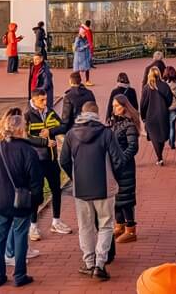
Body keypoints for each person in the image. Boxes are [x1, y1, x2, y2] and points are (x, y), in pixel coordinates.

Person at [59, 101, 127, 281]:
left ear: (82, 113)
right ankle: (100, 264)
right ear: (97, 114)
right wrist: (115, 177)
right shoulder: (106, 133)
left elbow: (64, 160)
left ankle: (89, 262)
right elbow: (118, 160)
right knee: (105, 225)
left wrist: (74, 177)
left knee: (85, 226)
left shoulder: (71, 134)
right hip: (104, 186)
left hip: (81, 188)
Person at [0, 111, 43, 288]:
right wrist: (35, 201)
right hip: (21, 202)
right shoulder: (27, 150)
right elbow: (36, 180)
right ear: (20, 129)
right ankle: (19, 275)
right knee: (20, 237)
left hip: (0, 201)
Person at [24, 89, 73, 241]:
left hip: (51, 159)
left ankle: (56, 221)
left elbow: (64, 126)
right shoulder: (27, 115)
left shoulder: (50, 112)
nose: (45, 103)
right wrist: (45, 142)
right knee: (36, 194)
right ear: (34, 100)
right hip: (36, 161)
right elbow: (26, 137)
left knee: (56, 190)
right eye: (42, 100)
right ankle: (33, 226)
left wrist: (50, 131)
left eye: (46, 100)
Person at [108, 95, 140, 243]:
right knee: (116, 197)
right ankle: (119, 225)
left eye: (117, 106)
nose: (114, 109)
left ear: (125, 107)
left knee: (126, 197)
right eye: (113, 106)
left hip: (125, 167)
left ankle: (131, 229)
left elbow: (133, 147)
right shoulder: (114, 123)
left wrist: (121, 160)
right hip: (114, 165)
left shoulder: (129, 125)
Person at [140, 67, 173, 166]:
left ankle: (159, 157)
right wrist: (165, 106)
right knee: (162, 136)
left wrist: (143, 116)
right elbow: (169, 99)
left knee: (154, 137)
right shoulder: (164, 86)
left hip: (150, 116)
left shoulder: (146, 88)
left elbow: (143, 104)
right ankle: (160, 156)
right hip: (162, 114)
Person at [163, 66, 176, 150]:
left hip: (165, 107)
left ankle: (165, 139)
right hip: (174, 106)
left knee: (165, 125)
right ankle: (172, 142)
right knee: (172, 126)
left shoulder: (163, 83)